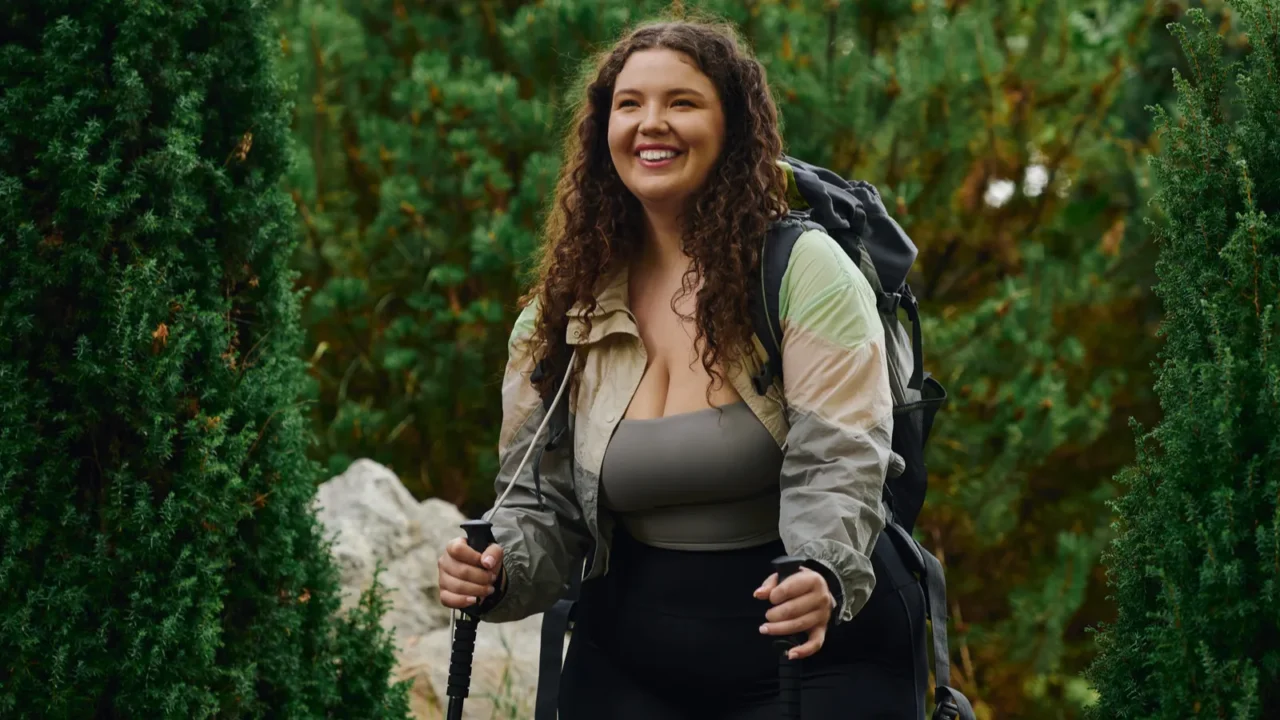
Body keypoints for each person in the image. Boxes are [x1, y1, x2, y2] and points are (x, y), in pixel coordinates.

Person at [437, 17, 925, 719]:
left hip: (812, 656)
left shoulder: (800, 272)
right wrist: (497, 568)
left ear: (732, 126)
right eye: (629, 104)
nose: (650, 124)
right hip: (627, 658)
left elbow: (843, 460)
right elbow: (540, 505)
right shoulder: (564, 310)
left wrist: (822, 570)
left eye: (683, 102)